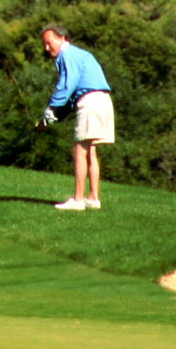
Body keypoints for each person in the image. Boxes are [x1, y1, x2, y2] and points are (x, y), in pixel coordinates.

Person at [40, 24, 114, 211]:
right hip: (102, 101)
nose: (47, 48)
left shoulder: (68, 54)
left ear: (62, 38)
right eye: (45, 45)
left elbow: (67, 86)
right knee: (90, 151)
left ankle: (78, 200)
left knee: (79, 150)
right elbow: (71, 97)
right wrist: (53, 117)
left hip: (90, 101)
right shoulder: (79, 54)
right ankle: (93, 198)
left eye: (49, 43)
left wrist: (50, 111)